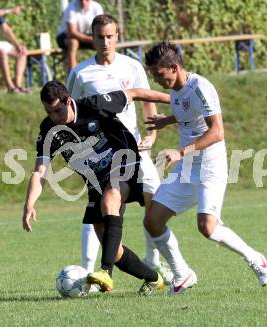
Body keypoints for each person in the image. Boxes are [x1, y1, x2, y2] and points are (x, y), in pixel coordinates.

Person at [143, 41, 267, 294]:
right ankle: (183, 274)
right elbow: (189, 115)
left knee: (207, 227)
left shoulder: (201, 87)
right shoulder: (176, 91)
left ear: (174, 67)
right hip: (187, 166)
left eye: (159, 74)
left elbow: (217, 132)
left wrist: (180, 152)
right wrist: (167, 121)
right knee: (152, 221)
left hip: (210, 165)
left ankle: (256, 259)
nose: (157, 80)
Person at [22, 80, 171, 295]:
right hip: (96, 181)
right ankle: (153, 278)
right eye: (49, 112)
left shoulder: (95, 105)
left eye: (58, 110)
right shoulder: (49, 130)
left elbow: (135, 92)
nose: (55, 117)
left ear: (69, 101)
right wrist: (29, 204)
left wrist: (176, 101)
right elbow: (40, 171)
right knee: (113, 248)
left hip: (125, 162)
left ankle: (105, 273)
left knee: (110, 198)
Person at [67, 14, 174, 285]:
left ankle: (155, 261)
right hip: (102, 154)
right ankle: (88, 270)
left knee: (157, 203)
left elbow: (146, 98)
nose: (105, 42)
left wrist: (152, 135)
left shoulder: (131, 66)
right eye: (100, 36)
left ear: (117, 36)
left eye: (110, 36)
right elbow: (71, 115)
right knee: (103, 211)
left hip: (136, 149)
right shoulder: (80, 73)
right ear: (91, 37)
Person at [56, 0, 103, 72]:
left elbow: (101, 28)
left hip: (85, 35)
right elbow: (72, 32)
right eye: (81, 0)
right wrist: (91, 39)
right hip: (65, 36)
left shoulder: (97, 7)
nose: (83, 2)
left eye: (86, 0)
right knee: (73, 42)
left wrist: (97, 39)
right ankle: (73, 75)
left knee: (101, 42)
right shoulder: (71, 7)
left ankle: (103, 70)